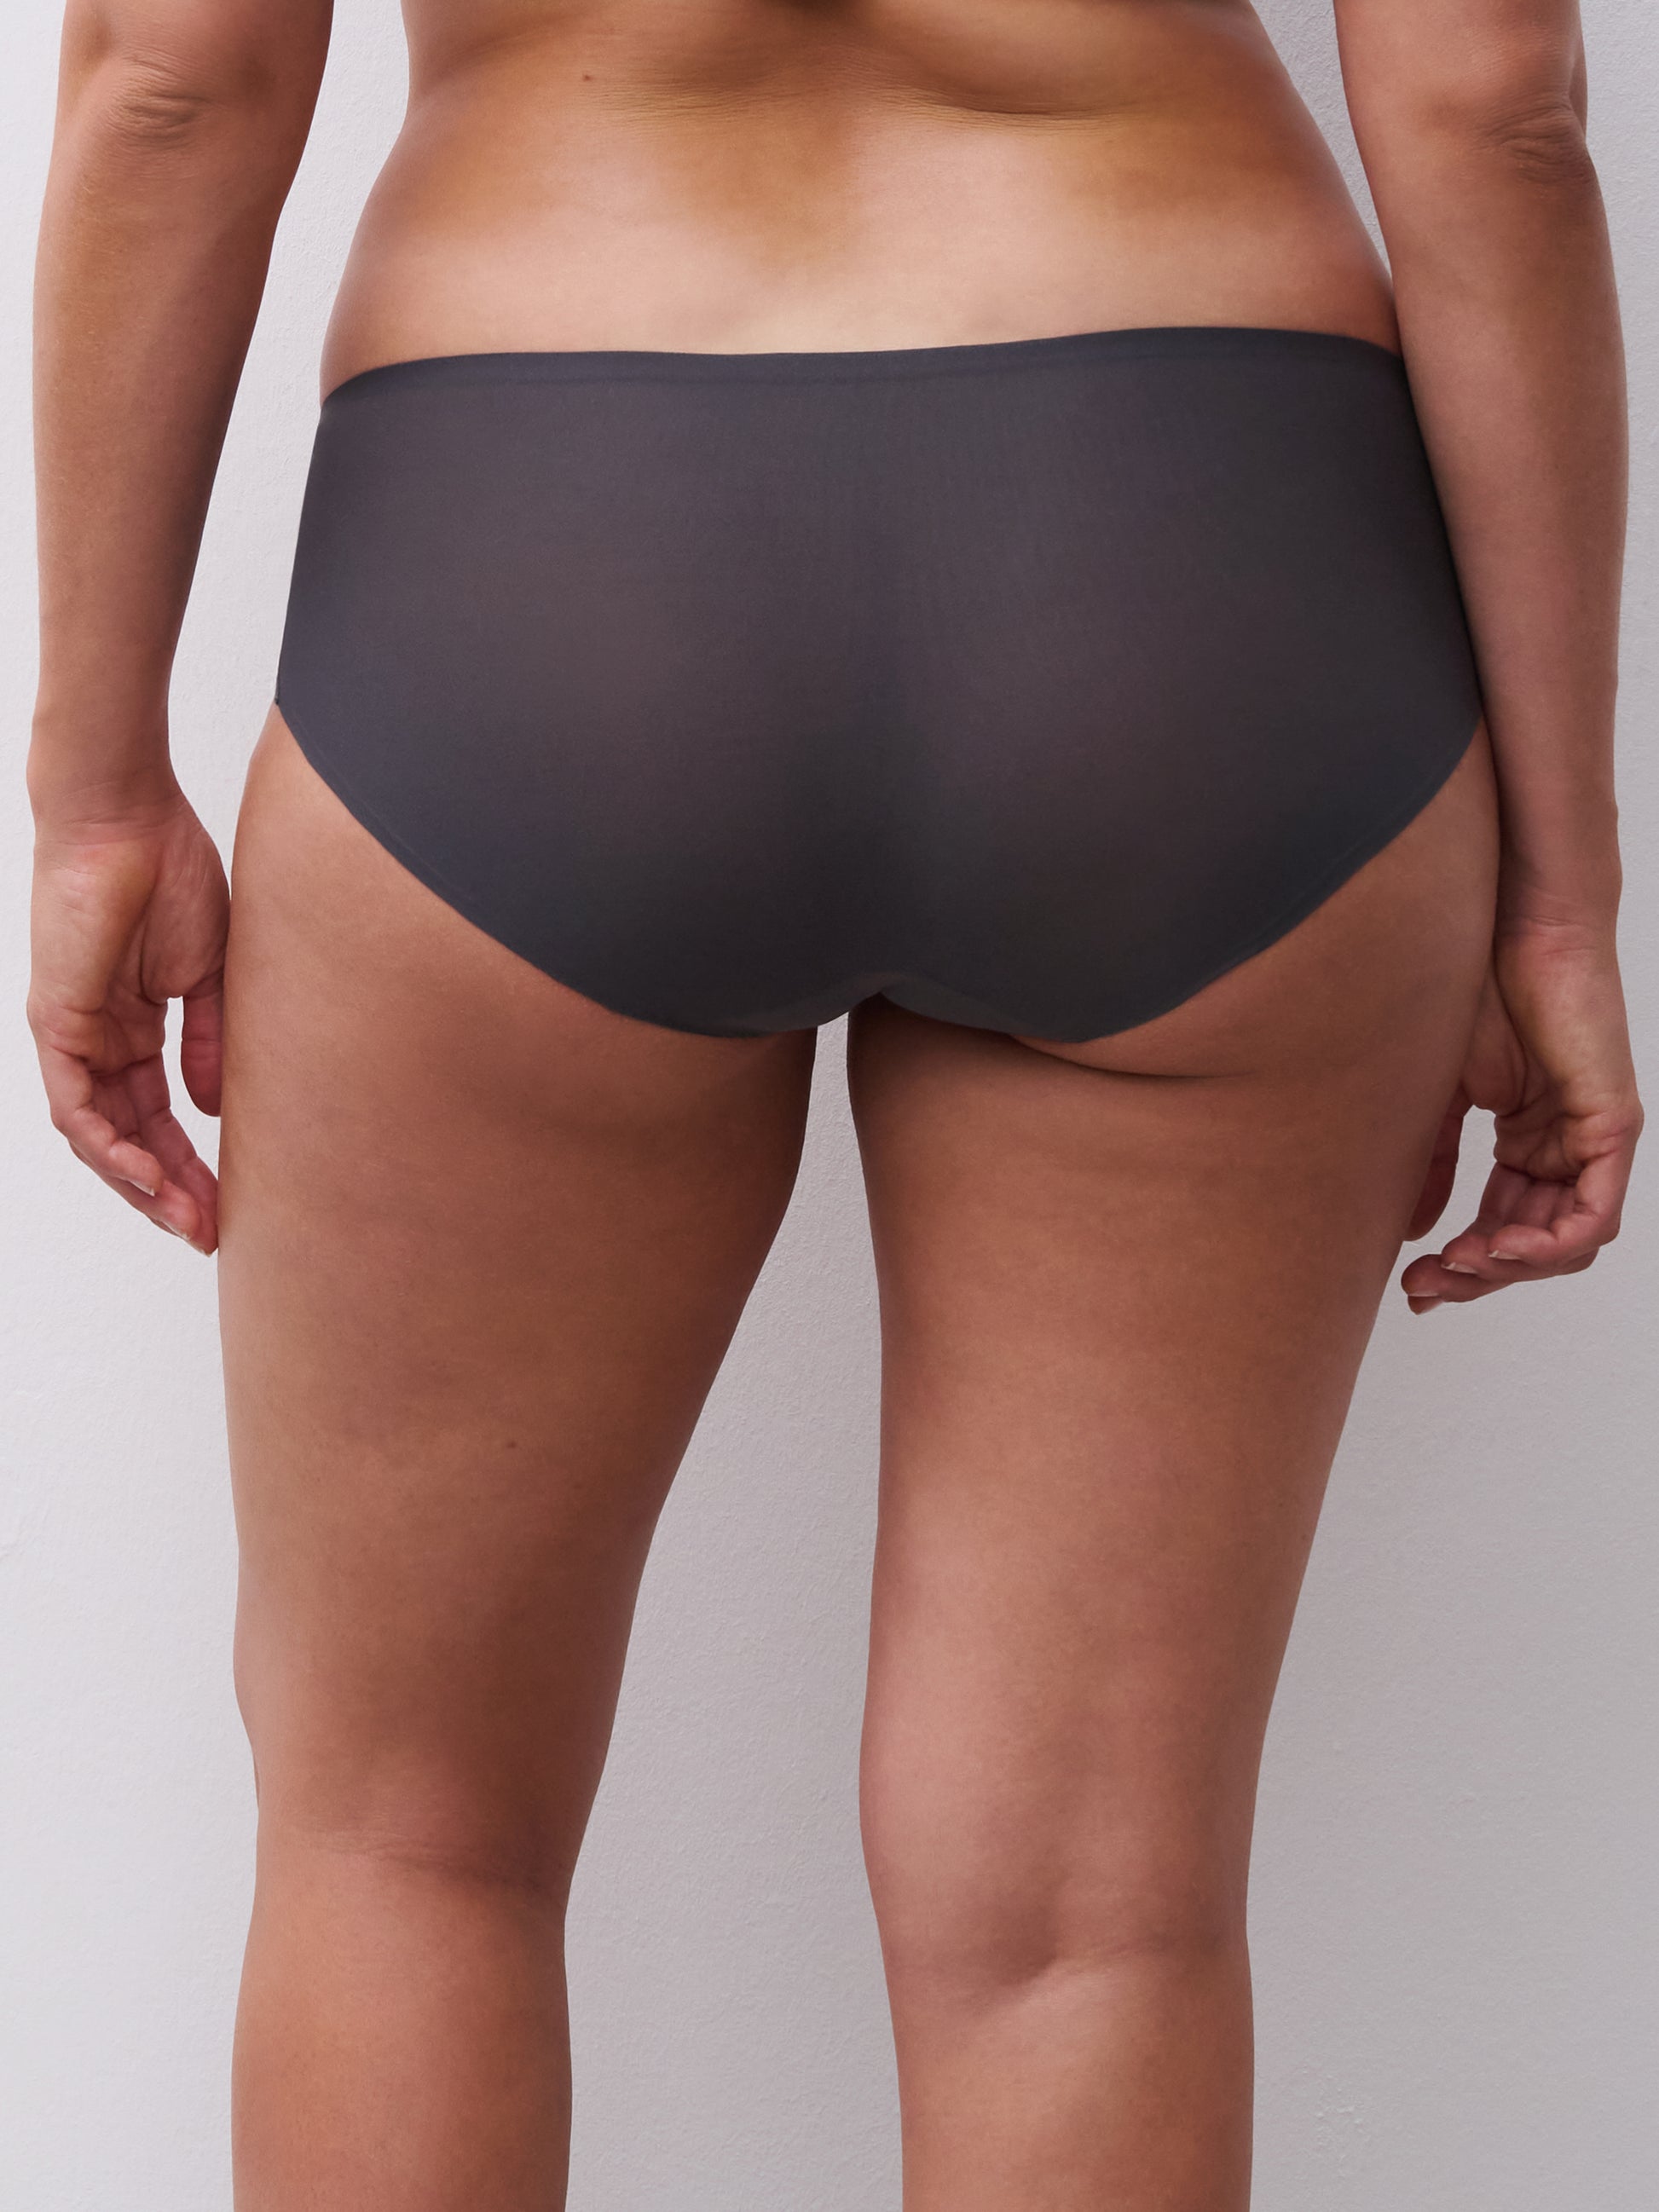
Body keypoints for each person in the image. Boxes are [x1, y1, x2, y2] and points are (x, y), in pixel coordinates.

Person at [26, 0, 1641, 2203]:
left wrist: (96, 783)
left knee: (406, 1841)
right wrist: (1560, 883)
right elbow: (1494, 106)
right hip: (1194, 550)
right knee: (1086, 1925)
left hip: (542, 534)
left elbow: (172, 77)